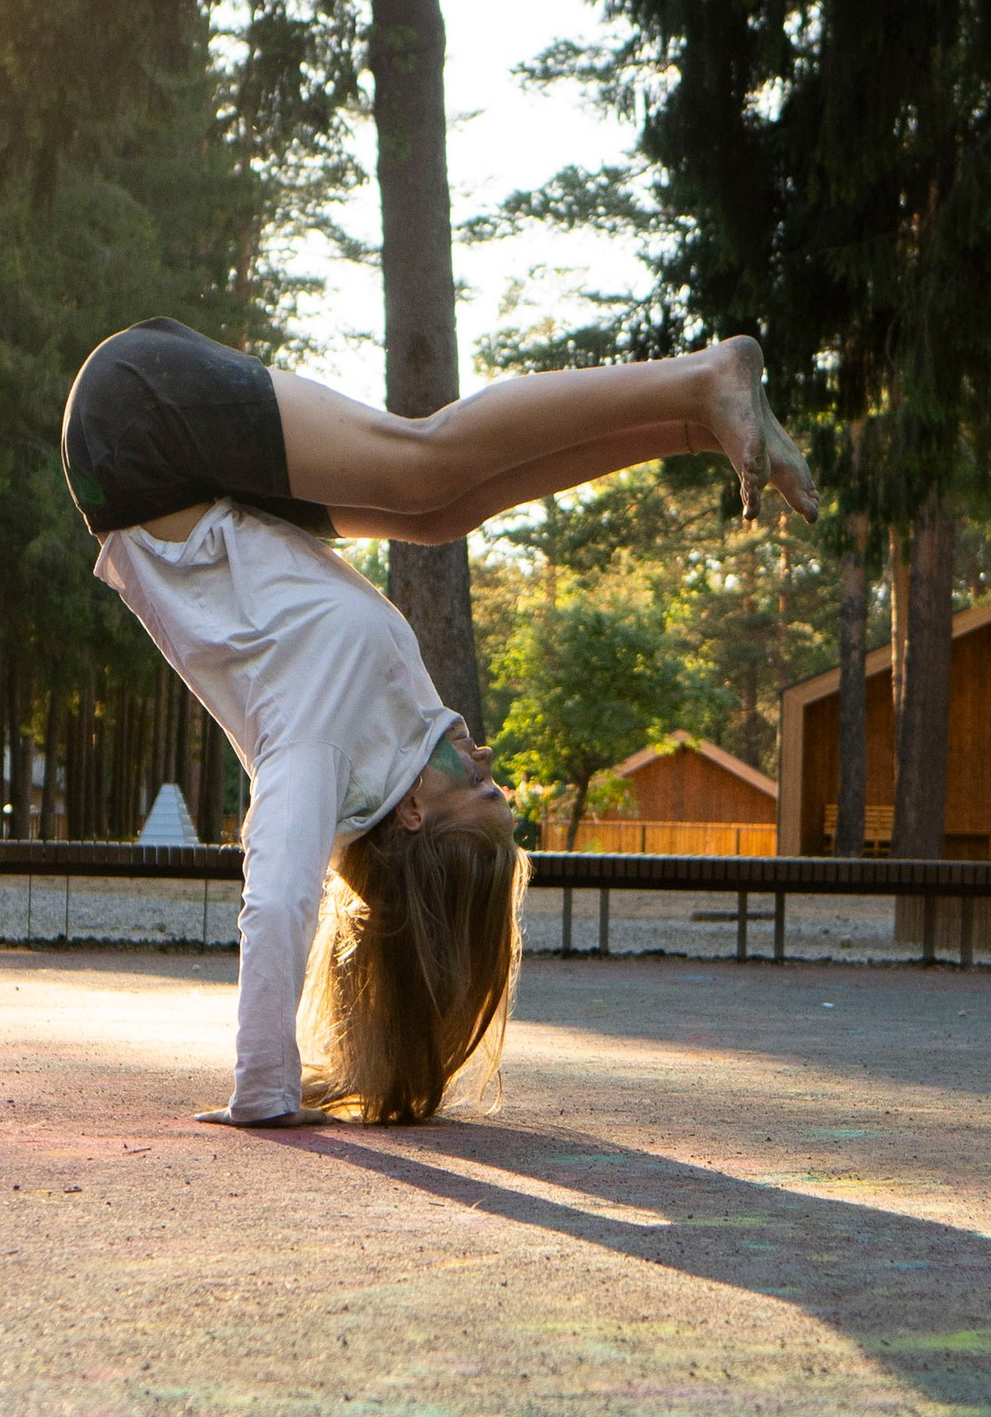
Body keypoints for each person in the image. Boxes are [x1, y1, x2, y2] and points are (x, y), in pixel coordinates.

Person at [61, 319, 818, 1126]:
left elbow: (279, 902)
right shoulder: (395, 731)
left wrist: (266, 1084)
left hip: (134, 429)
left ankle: (700, 381)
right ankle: (696, 424)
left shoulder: (318, 751)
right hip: (183, 474)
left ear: (415, 813)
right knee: (434, 513)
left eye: (483, 787)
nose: (485, 755)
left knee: (422, 467)